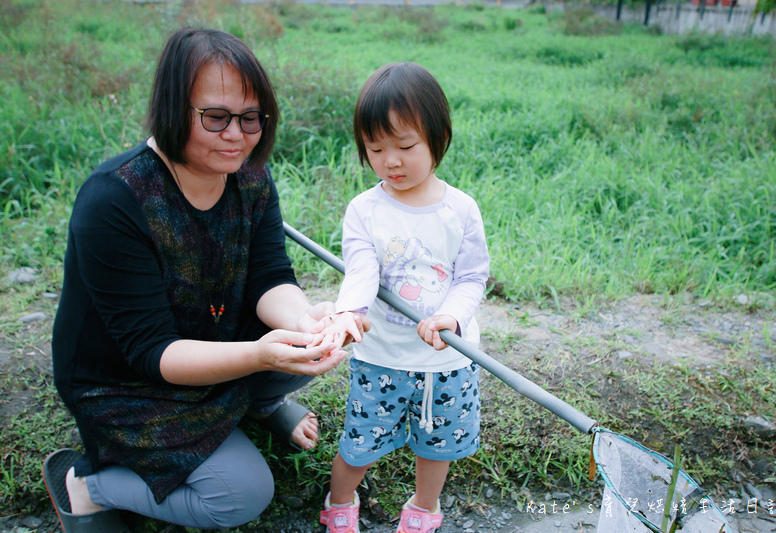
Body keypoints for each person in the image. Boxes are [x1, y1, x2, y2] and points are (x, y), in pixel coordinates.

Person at [44, 27, 366, 533]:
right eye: (216, 118)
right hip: (128, 382)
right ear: (173, 108)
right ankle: (86, 486)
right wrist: (259, 354)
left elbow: (269, 278)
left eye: (251, 118)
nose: (237, 135)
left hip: (217, 344)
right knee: (240, 495)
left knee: (304, 343)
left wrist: (306, 320)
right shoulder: (114, 200)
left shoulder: (250, 175)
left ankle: (259, 404)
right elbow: (152, 352)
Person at [318, 63, 490, 533]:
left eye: (405, 146)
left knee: (437, 448)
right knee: (358, 444)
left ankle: (423, 511)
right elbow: (361, 269)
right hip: (381, 359)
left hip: (446, 362)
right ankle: (339, 503)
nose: (390, 160)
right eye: (376, 148)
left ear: (437, 137)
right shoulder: (365, 210)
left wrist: (451, 317)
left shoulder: (460, 210)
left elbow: (472, 277)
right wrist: (349, 311)